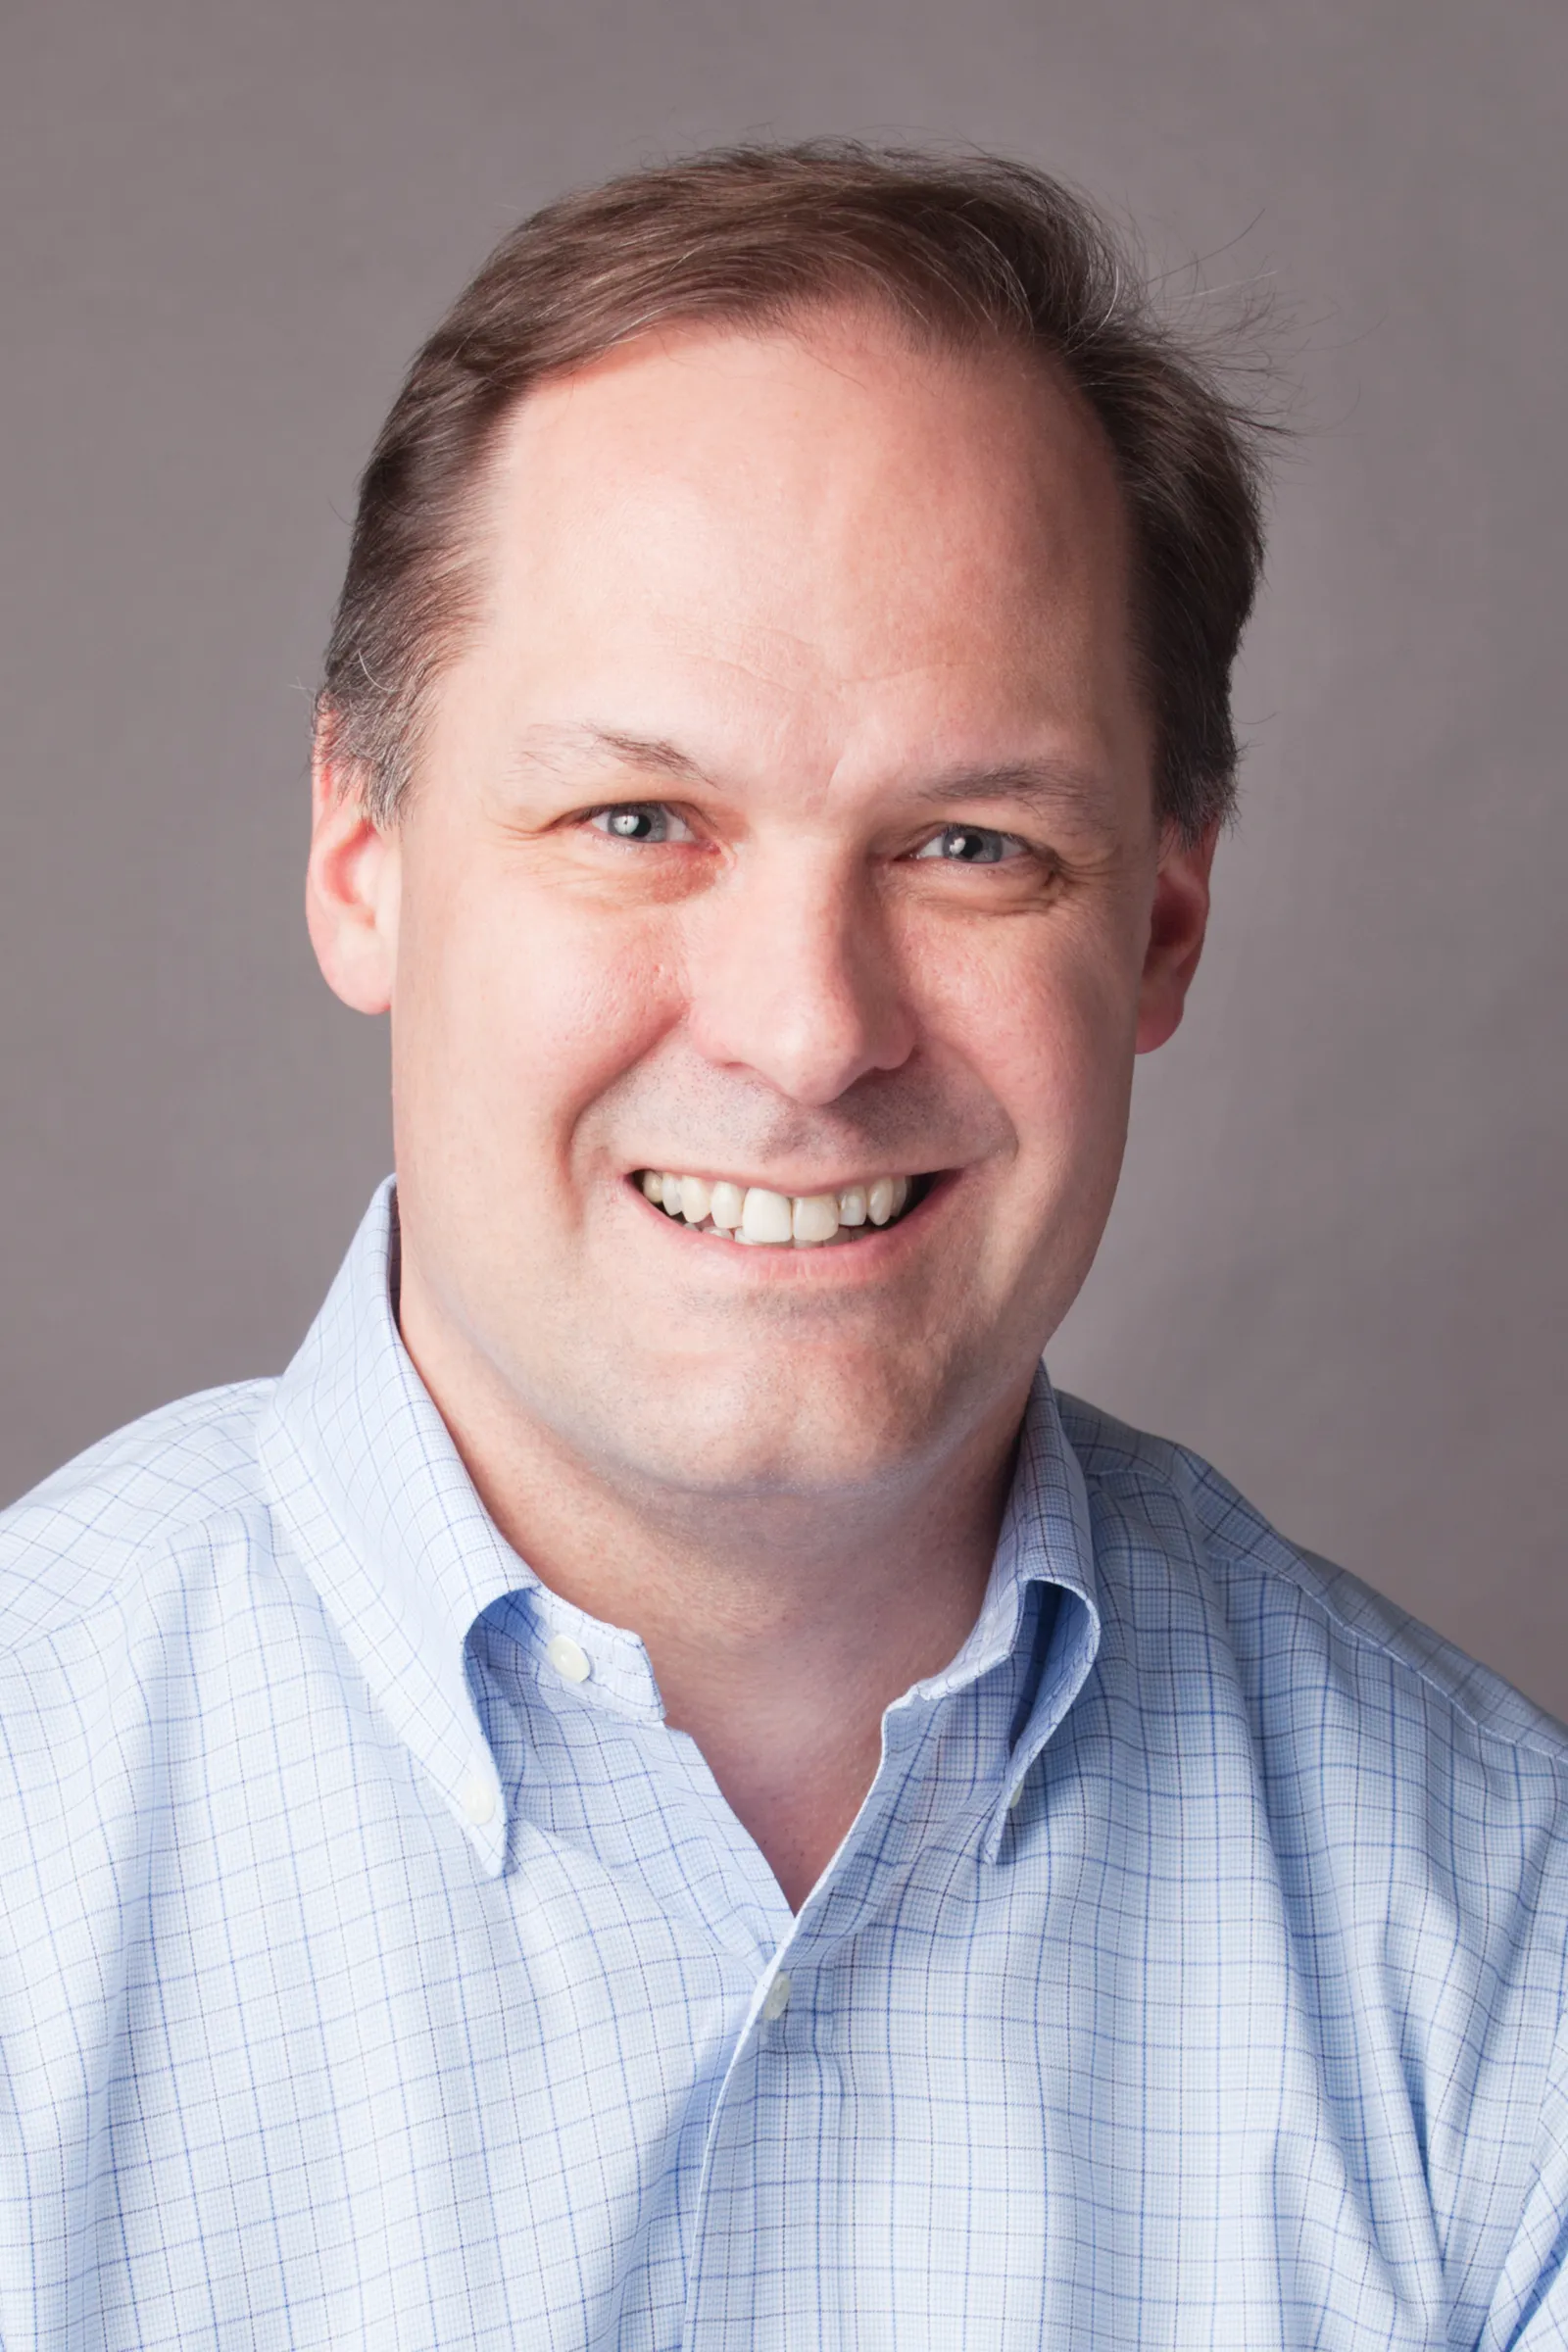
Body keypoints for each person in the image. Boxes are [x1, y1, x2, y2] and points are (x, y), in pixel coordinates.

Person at [0, 143, 1562, 2352]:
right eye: (638, 820)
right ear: (363, 851)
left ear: (1161, 924)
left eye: (968, 844)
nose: (808, 1030)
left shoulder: (1499, 1969)